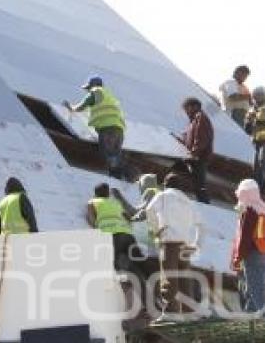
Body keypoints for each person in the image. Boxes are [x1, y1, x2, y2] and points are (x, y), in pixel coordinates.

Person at [144, 173, 203, 314]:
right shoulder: (187, 201)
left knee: (169, 280)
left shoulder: (163, 196)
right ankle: (189, 313)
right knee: (185, 282)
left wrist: (156, 230)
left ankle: (171, 313)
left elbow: (149, 210)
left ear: (165, 184)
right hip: (185, 246)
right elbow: (201, 224)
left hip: (169, 243)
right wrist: (196, 243)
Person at [65, 76, 130, 179]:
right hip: (119, 130)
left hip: (107, 129)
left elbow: (82, 106)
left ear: (93, 85)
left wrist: (71, 108)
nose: (88, 90)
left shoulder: (96, 92)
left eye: (89, 88)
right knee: (115, 154)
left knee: (108, 153)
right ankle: (123, 174)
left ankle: (116, 176)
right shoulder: (109, 95)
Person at [86, 183, 146, 276]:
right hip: (127, 235)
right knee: (136, 261)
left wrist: (97, 228)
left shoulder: (92, 202)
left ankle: (124, 286)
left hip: (113, 235)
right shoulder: (115, 203)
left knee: (115, 265)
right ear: (108, 194)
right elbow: (129, 217)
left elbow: (91, 219)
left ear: (95, 194)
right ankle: (144, 282)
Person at [230, 180, 265, 314]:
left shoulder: (250, 210)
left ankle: (256, 312)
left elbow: (244, 237)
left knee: (250, 285)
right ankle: (253, 312)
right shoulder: (262, 207)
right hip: (261, 251)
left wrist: (237, 257)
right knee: (257, 284)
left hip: (251, 252)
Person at [180, 97, 213, 203]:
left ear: (195, 107)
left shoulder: (200, 118)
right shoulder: (193, 121)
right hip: (193, 156)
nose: (186, 111)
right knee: (197, 183)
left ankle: (205, 206)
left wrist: (194, 152)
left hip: (198, 157)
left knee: (199, 185)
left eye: (187, 108)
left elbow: (201, 137)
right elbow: (190, 138)